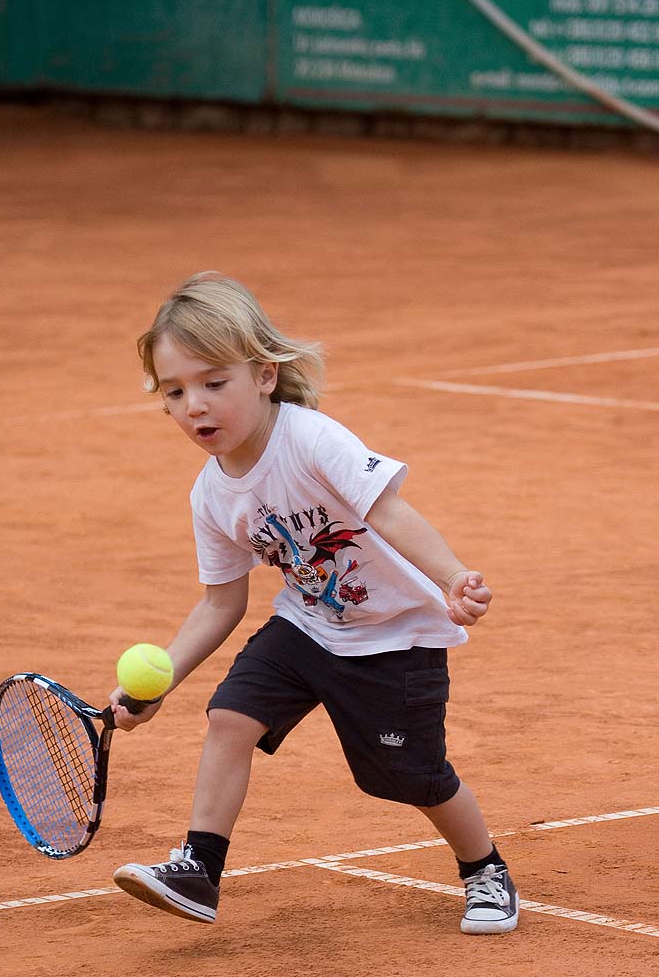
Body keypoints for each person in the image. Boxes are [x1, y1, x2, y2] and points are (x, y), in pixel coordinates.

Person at [110, 271, 519, 935]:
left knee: (408, 776)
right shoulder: (211, 496)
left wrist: (452, 579)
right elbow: (220, 603)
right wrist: (161, 685)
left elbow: (388, 511)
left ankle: (484, 868)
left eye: (215, 383)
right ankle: (200, 870)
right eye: (176, 392)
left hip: (395, 636)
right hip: (306, 627)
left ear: (265, 375)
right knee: (229, 719)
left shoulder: (310, 440)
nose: (195, 407)